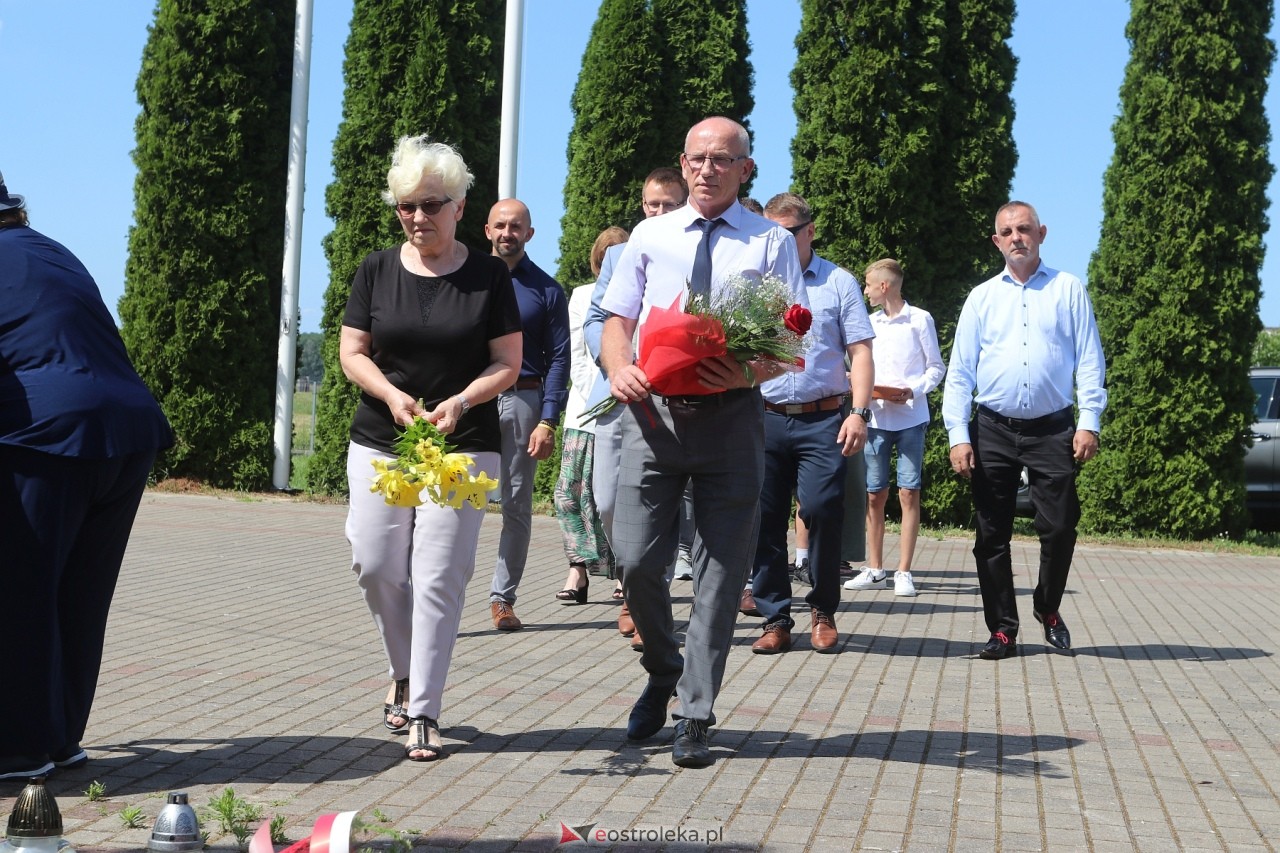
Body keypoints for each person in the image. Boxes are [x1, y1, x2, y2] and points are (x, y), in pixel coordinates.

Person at [600, 116, 806, 768]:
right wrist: (617, 366)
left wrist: (750, 368)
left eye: (723, 159)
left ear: (746, 168)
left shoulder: (769, 244)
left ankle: (695, 710)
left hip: (731, 420)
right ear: (683, 164)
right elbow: (617, 319)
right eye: (697, 158)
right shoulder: (650, 235)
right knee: (634, 561)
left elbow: (793, 337)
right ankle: (664, 668)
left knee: (720, 578)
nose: (707, 169)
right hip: (652, 418)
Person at [341, 135, 521, 761]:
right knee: (376, 563)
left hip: (463, 441)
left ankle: (424, 709)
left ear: (459, 207)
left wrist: (464, 401)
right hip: (383, 438)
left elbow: (508, 363)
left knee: (439, 575)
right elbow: (352, 352)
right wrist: (391, 396)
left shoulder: (488, 276)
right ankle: (404, 669)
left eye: (431, 205)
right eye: (406, 207)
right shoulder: (375, 269)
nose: (418, 218)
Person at [0, 171, 174, 780]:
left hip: (48, 437)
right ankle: (62, 738)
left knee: (20, 593)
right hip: (128, 435)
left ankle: (18, 750)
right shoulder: (50, 249)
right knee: (81, 594)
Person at [942, 201, 1106, 660]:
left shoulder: (1068, 289)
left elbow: (1090, 360)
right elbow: (960, 373)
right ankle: (1002, 631)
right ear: (996, 240)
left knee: (1059, 527)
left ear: (1042, 233)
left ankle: (1047, 607)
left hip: (1053, 429)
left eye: (1025, 229)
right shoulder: (981, 298)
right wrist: (958, 433)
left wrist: (1089, 421)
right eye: (1007, 231)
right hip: (991, 428)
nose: (1017, 237)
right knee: (991, 534)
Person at [746, 192, 874, 655]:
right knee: (764, 518)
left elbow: (860, 352)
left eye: (788, 234)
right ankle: (776, 617)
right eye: (770, 235)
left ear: (809, 231)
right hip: (763, 418)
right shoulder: (756, 284)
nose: (778, 244)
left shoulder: (838, 282)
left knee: (820, 509)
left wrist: (859, 413)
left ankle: (822, 609)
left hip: (824, 420)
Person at [582, 166, 689, 644]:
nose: (659, 212)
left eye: (668, 205)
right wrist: (618, 368)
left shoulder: (696, 251)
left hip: (673, 400)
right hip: (617, 397)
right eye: (651, 205)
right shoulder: (621, 255)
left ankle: (645, 600)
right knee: (606, 499)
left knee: (661, 506)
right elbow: (597, 321)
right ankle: (631, 582)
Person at [484, 199, 571, 631]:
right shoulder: (468, 282)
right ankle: (442, 594)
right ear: (487, 231)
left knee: (516, 506)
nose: (507, 233)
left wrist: (548, 419)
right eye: (500, 225)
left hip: (525, 401)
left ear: (529, 234)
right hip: (473, 403)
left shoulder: (547, 291)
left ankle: (503, 599)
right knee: (457, 501)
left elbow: (559, 360)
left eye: (515, 226)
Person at [845, 258, 945, 597]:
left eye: (868, 284)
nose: (866, 290)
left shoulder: (920, 320)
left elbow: (936, 367)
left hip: (910, 419)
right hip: (876, 417)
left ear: (884, 286)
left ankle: (904, 571)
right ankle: (875, 568)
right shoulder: (870, 324)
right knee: (874, 494)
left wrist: (912, 391)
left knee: (908, 491)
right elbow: (861, 366)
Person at [553, 226, 628, 604]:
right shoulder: (583, 295)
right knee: (569, 496)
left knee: (612, 499)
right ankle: (577, 570)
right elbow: (579, 359)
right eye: (605, 258)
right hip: (586, 411)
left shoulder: (635, 294)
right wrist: (599, 400)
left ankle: (622, 574)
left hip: (625, 412)